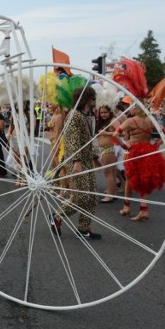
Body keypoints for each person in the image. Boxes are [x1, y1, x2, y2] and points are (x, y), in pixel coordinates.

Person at [51, 86, 102, 240]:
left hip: (87, 160)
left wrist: (95, 158)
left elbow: (87, 141)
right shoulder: (74, 115)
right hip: (76, 161)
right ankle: (56, 217)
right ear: (86, 99)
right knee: (81, 197)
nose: (95, 101)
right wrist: (77, 161)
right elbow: (72, 141)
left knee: (92, 196)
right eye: (93, 98)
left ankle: (83, 228)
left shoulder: (85, 116)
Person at [113, 104, 165, 221]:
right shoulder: (150, 120)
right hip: (147, 152)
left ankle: (127, 207)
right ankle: (143, 210)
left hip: (133, 152)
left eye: (132, 107)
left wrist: (125, 146)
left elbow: (116, 134)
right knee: (142, 180)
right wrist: (154, 145)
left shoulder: (131, 120)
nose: (130, 109)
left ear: (137, 108)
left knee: (129, 179)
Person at [95, 105, 120, 203]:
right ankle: (112, 194)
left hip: (109, 149)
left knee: (108, 172)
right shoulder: (106, 122)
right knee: (111, 172)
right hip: (105, 149)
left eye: (105, 112)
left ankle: (110, 196)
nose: (103, 115)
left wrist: (107, 133)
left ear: (110, 112)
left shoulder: (113, 120)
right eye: (101, 113)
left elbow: (122, 132)